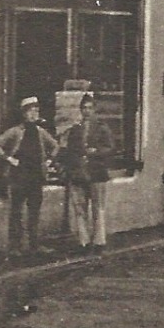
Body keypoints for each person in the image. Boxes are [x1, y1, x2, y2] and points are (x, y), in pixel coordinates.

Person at [0, 96, 59, 255]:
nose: (34, 114)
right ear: (24, 113)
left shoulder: (41, 132)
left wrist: (48, 161)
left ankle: (34, 245)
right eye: (30, 111)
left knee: (34, 212)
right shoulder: (15, 131)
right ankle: (15, 247)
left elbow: (55, 146)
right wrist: (9, 158)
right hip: (19, 176)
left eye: (36, 111)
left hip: (35, 176)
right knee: (16, 212)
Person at [59, 94, 115, 256]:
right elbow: (69, 151)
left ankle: (99, 241)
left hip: (96, 172)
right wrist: (69, 168)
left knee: (98, 208)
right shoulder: (75, 129)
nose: (87, 111)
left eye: (90, 108)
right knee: (79, 208)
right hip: (78, 173)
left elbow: (111, 148)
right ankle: (83, 241)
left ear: (94, 109)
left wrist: (97, 152)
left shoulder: (102, 127)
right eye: (84, 108)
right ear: (80, 110)